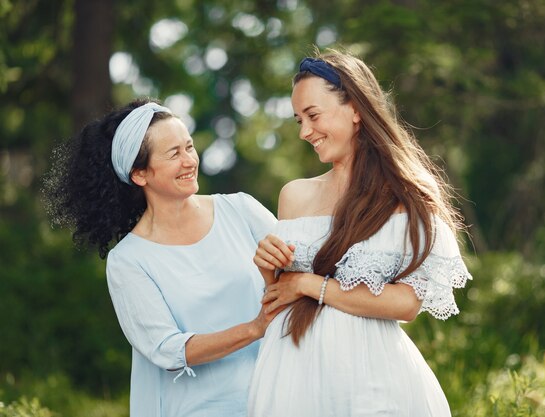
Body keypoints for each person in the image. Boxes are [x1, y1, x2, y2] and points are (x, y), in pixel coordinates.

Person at [247, 51, 472, 417]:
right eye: (298, 120)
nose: (305, 132)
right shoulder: (294, 195)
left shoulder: (403, 198)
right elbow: (278, 297)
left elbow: (406, 304)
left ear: (355, 109)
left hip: (371, 381)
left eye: (314, 115)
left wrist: (310, 284)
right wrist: (268, 267)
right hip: (291, 378)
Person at [43, 98, 281, 417]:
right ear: (140, 174)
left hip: (275, 399)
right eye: (174, 154)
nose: (189, 161)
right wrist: (255, 328)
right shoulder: (128, 261)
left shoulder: (240, 209)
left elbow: (300, 267)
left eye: (189, 147)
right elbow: (167, 350)